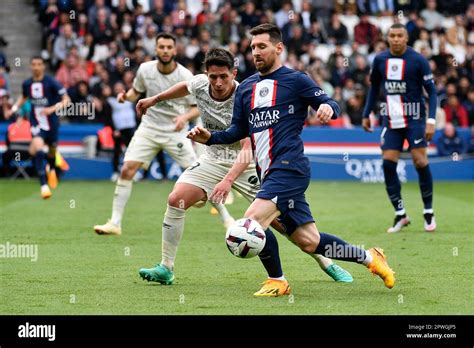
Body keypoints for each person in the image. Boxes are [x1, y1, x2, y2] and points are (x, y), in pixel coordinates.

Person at [187, 24, 395, 296]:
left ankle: (278, 280)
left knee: (250, 223)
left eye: (262, 46)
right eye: (253, 48)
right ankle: (371, 258)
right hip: (269, 174)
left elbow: (331, 102)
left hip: (289, 168)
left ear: (278, 47)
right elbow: (238, 131)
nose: (256, 52)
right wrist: (210, 138)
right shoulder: (247, 88)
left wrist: (325, 107)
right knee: (309, 242)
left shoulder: (296, 80)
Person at [135, 48, 353, 289]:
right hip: (213, 158)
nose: (217, 83)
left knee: (284, 226)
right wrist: (153, 100)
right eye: (213, 77)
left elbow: (247, 147)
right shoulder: (199, 84)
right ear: (207, 74)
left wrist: (227, 181)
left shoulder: (247, 93)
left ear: (233, 74)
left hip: (248, 163)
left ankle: (326, 262)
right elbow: (185, 86)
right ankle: (166, 267)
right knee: (176, 199)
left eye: (223, 77)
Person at [93, 33, 233, 236]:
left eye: (169, 47)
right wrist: (125, 97)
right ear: (156, 49)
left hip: (176, 132)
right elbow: (136, 92)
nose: (165, 50)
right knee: (127, 170)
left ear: (175, 50)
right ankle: (115, 223)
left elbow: (197, 108)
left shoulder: (185, 75)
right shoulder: (144, 69)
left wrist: (184, 117)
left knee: (202, 176)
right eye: (162, 47)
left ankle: (227, 219)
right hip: (149, 128)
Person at [362, 23, 438, 233]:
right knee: (387, 165)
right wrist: (366, 113)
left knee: (420, 161)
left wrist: (431, 121)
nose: (395, 39)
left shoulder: (418, 60)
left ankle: (428, 212)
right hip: (390, 120)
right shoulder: (380, 60)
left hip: (414, 119)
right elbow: (374, 87)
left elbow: (431, 92)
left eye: (399, 36)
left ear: (406, 39)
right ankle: (400, 213)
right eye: (392, 35)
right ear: (388, 38)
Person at [5, 56, 70, 199]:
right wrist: (14, 108)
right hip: (36, 123)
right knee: (39, 149)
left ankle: (52, 169)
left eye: (39, 64)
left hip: (52, 124)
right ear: (30, 66)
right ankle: (44, 186)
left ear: (43, 67)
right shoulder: (27, 83)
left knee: (52, 151)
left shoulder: (51, 82)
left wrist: (52, 109)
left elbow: (66, 100)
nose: (36, 67)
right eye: (33, 64)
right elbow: (23, 97)